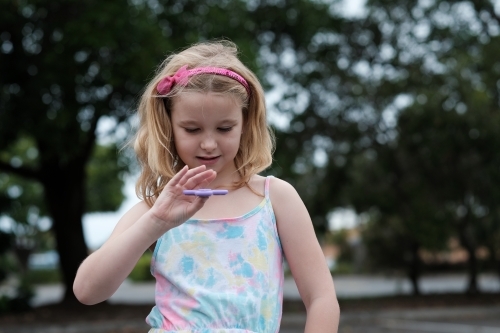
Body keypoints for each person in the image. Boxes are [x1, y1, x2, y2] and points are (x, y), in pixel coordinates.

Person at [73, 40, 340, 332]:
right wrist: (156, 223)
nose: (209, 143)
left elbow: (321, 298)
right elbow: (87, 291)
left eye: (225, 128)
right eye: (192, 129)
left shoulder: (275, 198)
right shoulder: (155, 209)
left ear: (246, 122)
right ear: (168, 125)